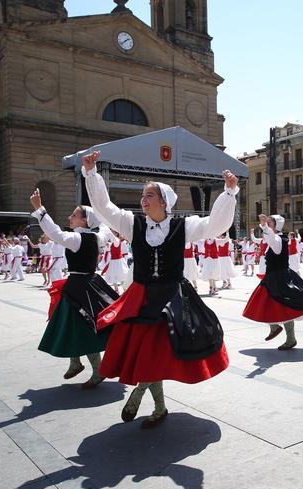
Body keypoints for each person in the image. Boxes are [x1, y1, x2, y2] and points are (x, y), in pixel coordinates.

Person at [81, 150, 236, 428]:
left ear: (164, 201)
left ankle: (141, 393)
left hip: (171, 299)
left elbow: (216, 225)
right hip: (141, 298)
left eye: (149, 195)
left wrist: (228, 194)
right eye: (143, 195)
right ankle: (160, 407)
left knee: (159, 353)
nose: (143, 199)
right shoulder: (132, 223)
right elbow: (104, 208)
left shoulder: (183, 226)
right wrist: (92, 175)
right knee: (147, 354)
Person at [29, 188, 118, 389]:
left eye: (74, 215)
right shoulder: (98, 236)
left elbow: (54, 233)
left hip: (80, 287)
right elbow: (103, 224)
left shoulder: (78, 239)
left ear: (84, 221)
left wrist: (40, 210)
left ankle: (97, 370)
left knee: (83, 327)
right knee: (73, 324)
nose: (70, 217)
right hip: (89, 284)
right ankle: (76, 363)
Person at [243, 214, 303, 350]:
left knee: (283, 305)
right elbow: (270, 239)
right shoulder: (276, 239)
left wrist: (264, 226)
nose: (267, 224)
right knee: (266, 302)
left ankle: (285, 335)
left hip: (278, 277)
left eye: (270, 223)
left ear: (277, 226)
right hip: (273, 277)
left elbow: (272, 240)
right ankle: (277, 328)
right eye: (267, 223)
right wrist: (264, 227)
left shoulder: (278, 240)